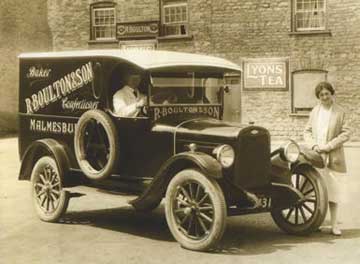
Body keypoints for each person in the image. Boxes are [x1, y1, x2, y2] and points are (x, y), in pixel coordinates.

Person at [304, 81, 351, 236]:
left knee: (333, 193)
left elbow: (346, 133)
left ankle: (334, 224)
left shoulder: (340, 112)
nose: (324, 97)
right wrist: (314, 146)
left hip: (334, 157)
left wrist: (329, 146)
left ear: (332, 94)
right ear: (318, 97)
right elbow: (307, 132)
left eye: (327, 94)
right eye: (321, 95)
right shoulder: (315, 112)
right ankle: (317, 222)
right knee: (316, 191)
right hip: (317, 156)